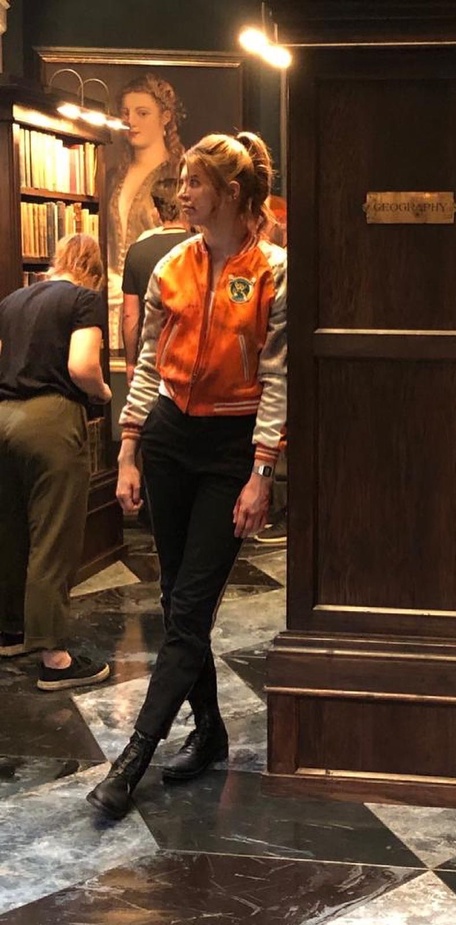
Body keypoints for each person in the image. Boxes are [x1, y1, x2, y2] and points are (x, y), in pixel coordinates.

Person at [87, 131, 287, 820]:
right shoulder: (173, 264)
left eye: (195, 183)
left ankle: (133, 758)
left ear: (230, 193)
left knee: (192, 604)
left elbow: (278, 378)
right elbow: (146, 362)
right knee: (177, 601)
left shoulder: (274, 272)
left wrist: (262, 472)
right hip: (170, 439)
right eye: (181, 182)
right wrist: (128, 448)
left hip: (231, 448)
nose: (182, 193)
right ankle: (209, 732)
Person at [0, 234, 112, 691]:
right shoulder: (84, 300)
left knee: (10, 532)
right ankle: (55, 658)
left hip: (3, 416)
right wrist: (103, 392)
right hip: (50, 422)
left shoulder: (12, 301)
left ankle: (11, 633)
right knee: (53, 538)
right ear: (92, 270)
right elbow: (82, 366)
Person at [107, 74, 185, 349]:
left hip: (159, 302)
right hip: (112, 302)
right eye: (125, 113)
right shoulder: (112, 176)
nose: (131, 121)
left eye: (142, 113)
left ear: (165, 117)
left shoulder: (180, 173)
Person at [121, 177, 192, 386]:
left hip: (151, 357)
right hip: (190, 354)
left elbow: (130, 314)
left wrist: (130, 362)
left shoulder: (136, 251)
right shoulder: (199, 247)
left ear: (156, 211)